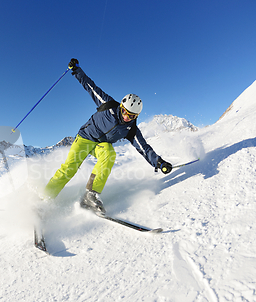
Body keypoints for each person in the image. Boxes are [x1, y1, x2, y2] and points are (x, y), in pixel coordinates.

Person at [43, 58, 172, 215]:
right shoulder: (108, 104)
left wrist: (159, 162)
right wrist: (77, 70)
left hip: (100, 145)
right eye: (125, 112)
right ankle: (44, 200)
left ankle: (90, 196)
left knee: (110, 154)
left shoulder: (131, 129)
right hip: (85, 137)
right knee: (69, 168)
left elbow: (144, 148)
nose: (126, 117)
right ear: (121, 106)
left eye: (132, 116)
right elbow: (91, 87)